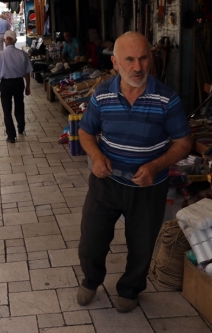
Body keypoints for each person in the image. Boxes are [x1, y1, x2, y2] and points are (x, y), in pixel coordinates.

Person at [76, 32, 192, 313]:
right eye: (129, 59)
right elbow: (85, 132)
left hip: (149, 188)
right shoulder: (102, 95)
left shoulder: (168, 99)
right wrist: (96, 156)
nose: (137, 67)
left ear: (150, 59)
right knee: (91, 239)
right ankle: (91, 280)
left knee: (141, 246)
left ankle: (130, 289)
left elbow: (184, 142)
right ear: (115, 62)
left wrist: (155, 166)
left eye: (142, 58)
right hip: (107, 182)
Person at [0, 30, 33, 143]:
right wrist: (28, 86)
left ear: (5, 40)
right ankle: (21, 127)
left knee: (7, 110)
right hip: (19, 83)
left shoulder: (0, 55)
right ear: (15, 41)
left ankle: (11, 136)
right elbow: (27, 73)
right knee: (19, 105)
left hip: (6, 85)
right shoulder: (22, 54)